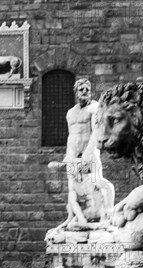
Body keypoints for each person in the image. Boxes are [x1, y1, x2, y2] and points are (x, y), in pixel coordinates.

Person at [49, 78, 114, 230]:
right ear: (76, 92)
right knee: (73, 190)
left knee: (98, 185)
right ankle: (71, 217)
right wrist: (68, 156)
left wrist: (88, 153)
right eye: (81, 89)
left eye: (87, 89)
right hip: (73, 156)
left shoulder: (94, 108)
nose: (85, 92)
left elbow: (96, 132)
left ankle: (106, 217)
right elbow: (71, 136)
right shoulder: (70, 113)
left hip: (90, 154)